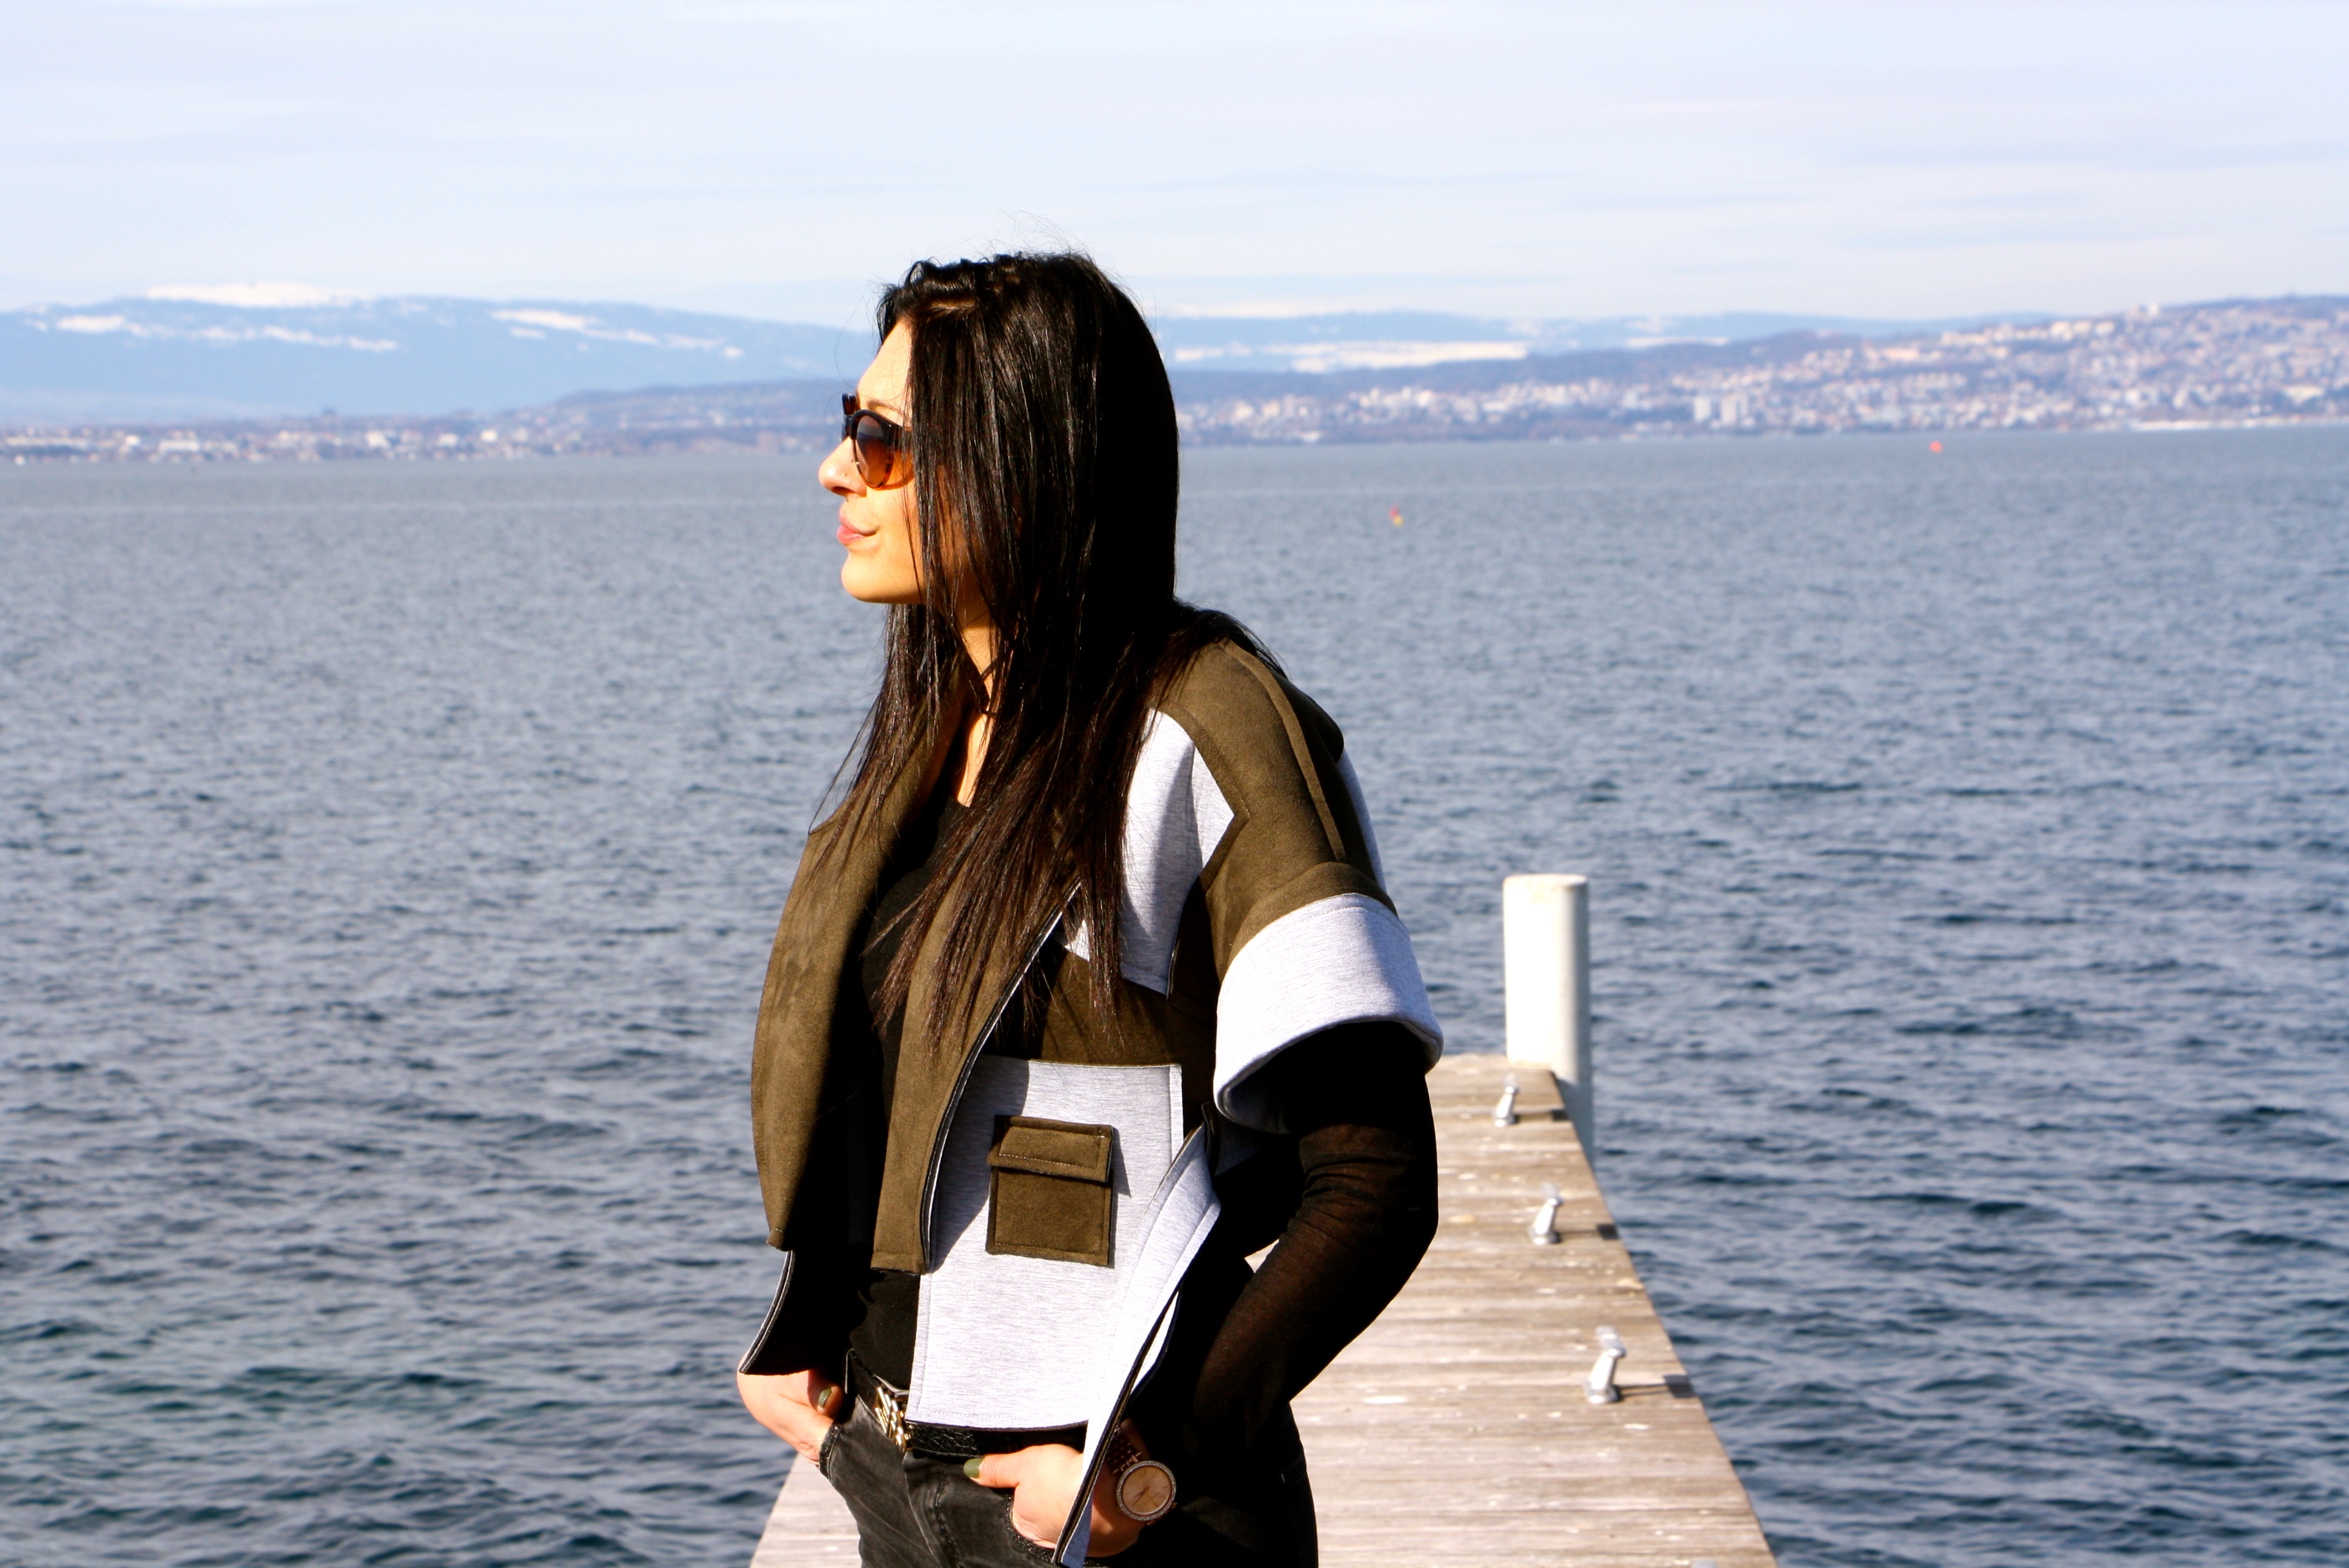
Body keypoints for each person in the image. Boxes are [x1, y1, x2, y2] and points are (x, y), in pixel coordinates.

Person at [733, 252, 1441, 1568]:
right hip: (895, 1473)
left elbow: (1377, 1182)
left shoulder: (1207, 726)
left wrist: (1143, 1467)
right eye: (850, 427)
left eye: (881, 440)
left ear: (1023, 460)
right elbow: (902, 1101)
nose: (837, 471)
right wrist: (809, 1328)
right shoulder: (940, 737)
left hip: (1102, 1522)